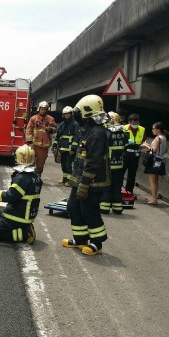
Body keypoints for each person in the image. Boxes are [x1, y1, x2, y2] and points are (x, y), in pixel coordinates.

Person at [62, 95, 110, 256]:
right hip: (80, 180)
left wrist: (84, 184)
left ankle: (97, 243)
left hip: (92, 182)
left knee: (89, 210)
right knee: (73, 207)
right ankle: (80, 240)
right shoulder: (89, 131)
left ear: (87, 114)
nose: (78, 116)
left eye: (79, 113)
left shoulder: (97, 133)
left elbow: (93, 162)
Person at [0, 144, 42, 245]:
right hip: (22, 212)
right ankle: (24, 227)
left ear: (18, 159)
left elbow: (8, 196)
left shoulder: (22, 179)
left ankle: (26, 233)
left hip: (19, 216)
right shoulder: (35, 177)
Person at [100, 112, 127, 214]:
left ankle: (104, 207)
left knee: (106, 186)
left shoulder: (107, 133)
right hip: (119, 165)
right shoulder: (123, 133)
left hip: (108, 165)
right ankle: (117, 207)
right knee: (117, 186)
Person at [25, 101, 57, 176]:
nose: (43, 111)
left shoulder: (50, 119)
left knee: (40, 164)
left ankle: (38, 176)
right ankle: (29, 176)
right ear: (39, 109)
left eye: (45, 109)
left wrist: (51, 129)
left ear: (47, 110)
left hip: (44, 147)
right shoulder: (33, 118)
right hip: (33, 145)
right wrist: (29, 142)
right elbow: (28, 130)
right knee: (30, 162)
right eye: (42, 109)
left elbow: (55, 129)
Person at [140, 122, 168, 205]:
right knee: (156, 180)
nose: (152, 130)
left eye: (153, 129)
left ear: (158, 130)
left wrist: (146, 146)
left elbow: (154, 150)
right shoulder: (163, 137)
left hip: (154, 161)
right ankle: (153, 197)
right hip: (160, 160)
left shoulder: (157, 138)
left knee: (152, 180)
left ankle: (153, 199)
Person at [54, 106, 80, 187]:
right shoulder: (62, 124)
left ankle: (70, 181)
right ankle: (64, 179)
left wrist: (73, 148)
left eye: (68, 114)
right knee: (63, 165)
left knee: (69, 165)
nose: (66, 115)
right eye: (65, 114)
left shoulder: (75, 124)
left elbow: (77, 137)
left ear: (71, 114)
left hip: (70, 149)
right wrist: (55, 144)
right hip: (62, 149)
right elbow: (58, 135)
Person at [122, 113, 147, 196]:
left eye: (137, 123)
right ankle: (117, 191)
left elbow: (144, 140)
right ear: (129, 122)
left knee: (132, 175)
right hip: (125, 153)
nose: (135, 125)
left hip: (135, 154)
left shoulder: (142, 129)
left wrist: (143, 145)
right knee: (120, 173)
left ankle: (129, 192)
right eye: (133, 123)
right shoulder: (124, 128)